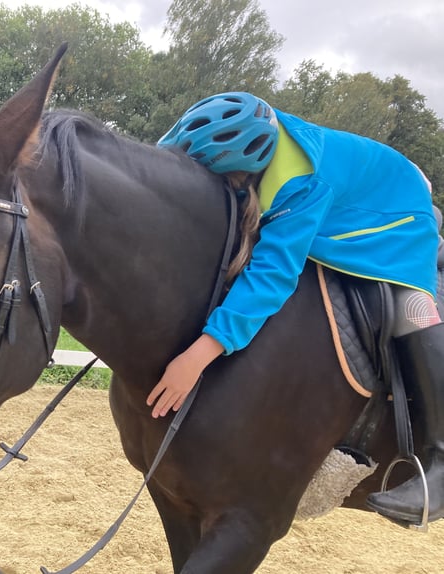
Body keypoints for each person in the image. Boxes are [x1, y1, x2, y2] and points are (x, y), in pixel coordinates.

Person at [148, 91, 444, 526]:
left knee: (411, 306)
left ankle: (440, 463)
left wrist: (198, 355)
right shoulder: (264, 136)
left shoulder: (301, 179)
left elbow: (274, 276)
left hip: (397, 211)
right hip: (348, 195)